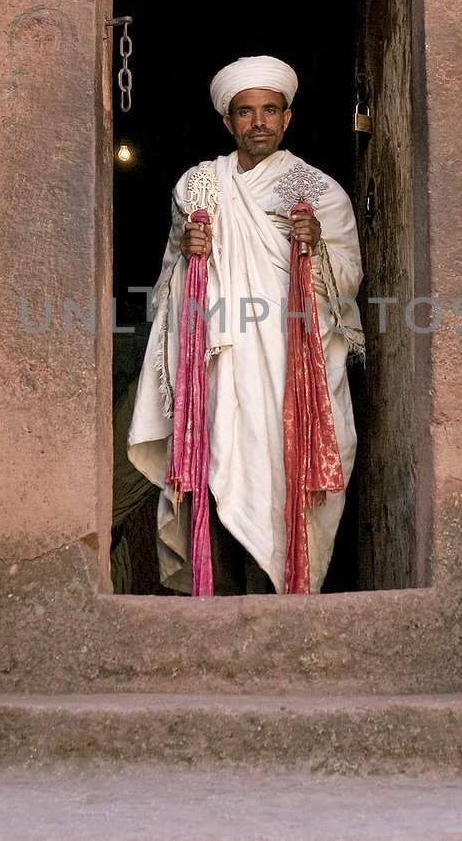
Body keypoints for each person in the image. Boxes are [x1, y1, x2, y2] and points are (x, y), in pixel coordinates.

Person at [126, 56, 364, 594]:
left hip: (292, 370)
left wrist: (316, 244)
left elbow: (348, 281)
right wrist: (188, 254)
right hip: (219, 362)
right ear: (228, 121)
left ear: (288, 117)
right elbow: (168, 284)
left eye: (270, 111)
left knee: (284, 477)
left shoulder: (318, 190)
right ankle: (223, 603)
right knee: (216, 473)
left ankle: (281, 596)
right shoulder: (199, 186)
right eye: (246, 112)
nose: (259, 122)